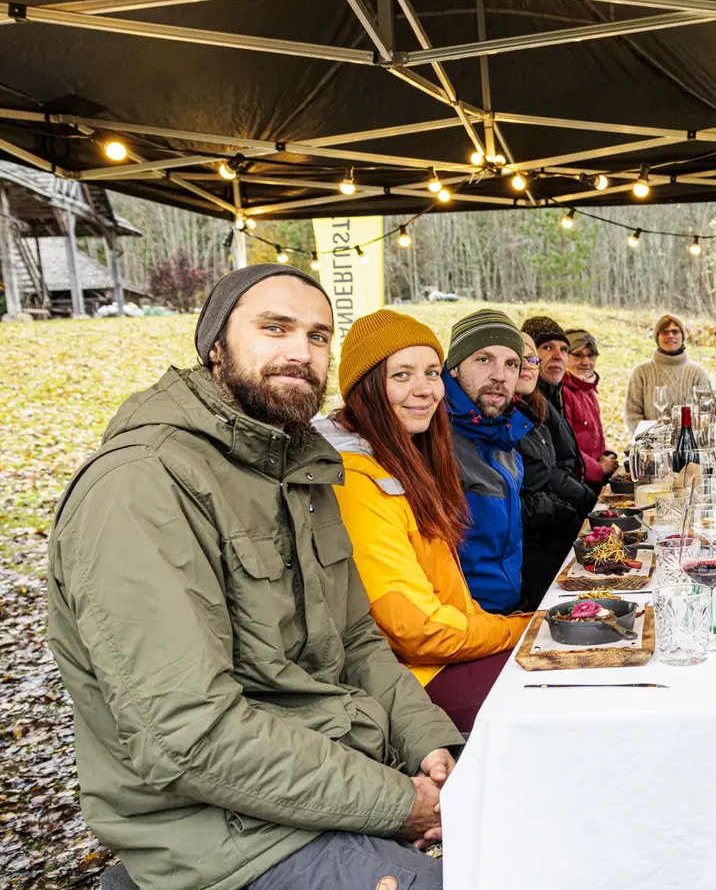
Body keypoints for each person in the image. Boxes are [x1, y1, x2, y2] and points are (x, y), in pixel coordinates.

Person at [48, 265, 461, 890]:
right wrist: (399, 802)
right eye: (275, 328)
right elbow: (187, 733)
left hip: (332, 775)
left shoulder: (297, 470)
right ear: (215, 344)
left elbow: (356, 640)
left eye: (318, 336)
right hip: (221, 831)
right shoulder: (140, 486)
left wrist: (431, 746)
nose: (300, 350)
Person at [317, 309, 532, 732]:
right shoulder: (357, 480)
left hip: (447, 651)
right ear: (365, 388)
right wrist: (520, 629)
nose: (424, 390)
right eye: (401, 375)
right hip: (415, 677)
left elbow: (448, 600)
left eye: (431, 373)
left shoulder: (406, 459)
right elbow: (416, 628)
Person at [444, 308, 534, 613]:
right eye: (484, 359)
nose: (500, 375)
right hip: (465, 626)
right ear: (454, 367)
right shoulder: (435, 442)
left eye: (511, 364)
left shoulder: (503, 438)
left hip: (508, 611)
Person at [513, 331, 595, 612]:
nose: (527, 365)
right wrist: (584, 507)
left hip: (553, 539)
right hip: (529, 563)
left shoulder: (532, 408)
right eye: (516, 359)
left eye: (530, 358)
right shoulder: (499, 419)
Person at [623, 313, 715, 432]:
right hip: (651, 446)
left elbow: (708, 415)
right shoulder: (641, 372)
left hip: (690, 444)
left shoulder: (697, 373)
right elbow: (632, 416)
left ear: (682, 336)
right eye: (665, 332)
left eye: (675, 332)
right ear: (657, 337)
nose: (670, 336)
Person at [563, 328, 619, 489]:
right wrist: (598, 469)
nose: (586, 362)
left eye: (591, 355)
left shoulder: (587, 387)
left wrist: (605, 453)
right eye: (578, 355)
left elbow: (591, 437)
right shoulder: (564, 392)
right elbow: (568, 446)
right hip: (580, 479)